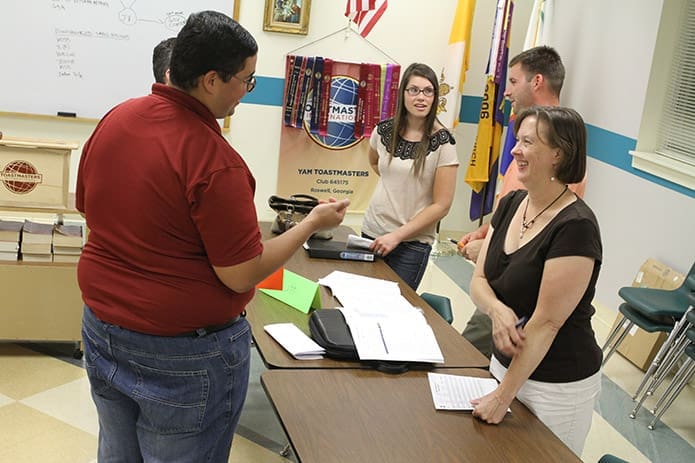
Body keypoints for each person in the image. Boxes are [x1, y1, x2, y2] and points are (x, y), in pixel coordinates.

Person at [76, 11, 349, 462]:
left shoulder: (117, 119)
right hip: (181, 357)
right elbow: (241, 275)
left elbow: (90, 208)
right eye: (247, 79)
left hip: (103, 330)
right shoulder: (213, 159)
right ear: (210, 80)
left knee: (118, 452)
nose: (247, 90)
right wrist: (310, 225)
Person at [469, 106, 602, 456]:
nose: (514, 150)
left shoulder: (575, 226)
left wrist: (502, 396)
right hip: (505, 366)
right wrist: (497, 310)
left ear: (558, 154)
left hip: (556, 384)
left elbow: (546, 323)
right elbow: (479, 279)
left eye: (527, 142)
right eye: (518, 140)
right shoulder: (512, 203)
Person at [459, 46, 587, 357]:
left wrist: (489, 253)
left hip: (517, 294)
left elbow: (540, 233)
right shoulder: (530, 135)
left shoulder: (559, 150)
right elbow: (519, 210)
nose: (506, 91)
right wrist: (488, 231)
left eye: (514, 82)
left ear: (537, 81)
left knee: (465, 359)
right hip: (498, 284)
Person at [361, 62, 459, 290]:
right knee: (359, 302)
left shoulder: (443, 143)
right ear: (403, 93)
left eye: (428, 91)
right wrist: (400, 184)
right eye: (414, 90)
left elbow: (442, 205)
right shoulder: (383, 131)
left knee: (394, 312)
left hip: (411, 244)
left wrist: (396, 236)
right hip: (372, 232)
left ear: (435, 97)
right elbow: (375, 162)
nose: (421, 97)